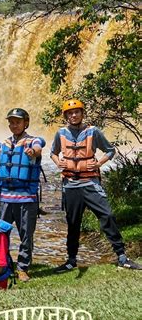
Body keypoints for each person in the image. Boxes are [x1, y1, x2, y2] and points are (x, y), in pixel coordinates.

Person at [50, 99, 141, 272]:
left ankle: (122, 256)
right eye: (70, 113)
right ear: (66, 116)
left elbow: (110, 150)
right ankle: (71, 260)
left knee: (107, 215)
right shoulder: (60, 133)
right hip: (70, 185)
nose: (74, 115)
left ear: (82, 114)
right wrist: (58, 163)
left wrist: (98, 164)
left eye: (77, 112)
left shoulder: (93, 132)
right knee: (73, 223)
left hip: (90, 183)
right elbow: (53, 153)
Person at [0, 108, 45, 282]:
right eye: (11, 122)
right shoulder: (4, 143)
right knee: (1, 233)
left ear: (26, 123)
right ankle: (4, 265)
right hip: (5, 197)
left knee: (26, 234)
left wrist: (34, 152)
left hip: (27, 197)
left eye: (17, 121)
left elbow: (39, 147)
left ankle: (23, 267)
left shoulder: (33, 142)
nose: (14, 125)